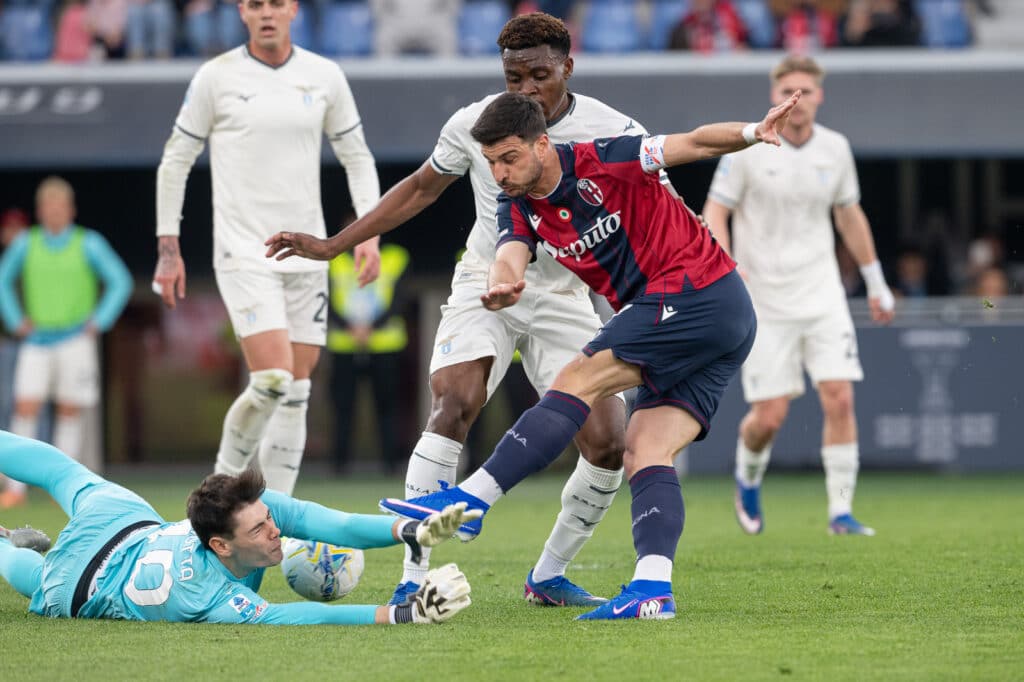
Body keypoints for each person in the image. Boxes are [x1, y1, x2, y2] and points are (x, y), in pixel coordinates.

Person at [262, 12, 680, 609]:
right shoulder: (472, 124)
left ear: (568, 67)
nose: (527, 89)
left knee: (609, 443)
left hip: (564, 295)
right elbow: (420, 187)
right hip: (486, 280)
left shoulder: (613, 128)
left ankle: (548, 575)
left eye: (540, 75)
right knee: (455, 399)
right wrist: (335, 244)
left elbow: (657, 207)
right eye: (515, 78)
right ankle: (413, 574)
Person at [353, 90, 800, 621]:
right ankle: (653, 589)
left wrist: (752, 131)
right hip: (709, 319)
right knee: (645, 448)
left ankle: (470, 502)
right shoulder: (516, 205)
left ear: (542, 144)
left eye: (510, 157)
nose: (500, 172)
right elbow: (509, 255)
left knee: (577, 380)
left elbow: (696, 142)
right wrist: (503, 285)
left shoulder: (608, 157)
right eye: (491, 162)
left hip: (696, 291)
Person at [152, 0, 382, 496]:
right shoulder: (216, 77)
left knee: (297, 390)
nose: (267, 13)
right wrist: (168, 248)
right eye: (256, 4)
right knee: (274, 378)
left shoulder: (324, 75)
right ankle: (216, 494)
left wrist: (367, 234)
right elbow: (176, 161)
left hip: (306, 253)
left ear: (293, 9)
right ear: (242, 11)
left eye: (277, 3)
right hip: (243, 250)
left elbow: (357, 157)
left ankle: (273, 514)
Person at [702, 54, 896, 537]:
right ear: (775, 95)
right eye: (789, 89)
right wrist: (727, 268)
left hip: (822, 295)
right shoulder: (747, 146)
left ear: (818, 96)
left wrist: (876, 283)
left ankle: (841, 513)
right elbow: (715, 212)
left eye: (806, 91)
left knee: (839, 398)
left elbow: (850, 218)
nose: (798, 99)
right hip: (763, 301)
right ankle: (747, 479)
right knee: (769, 416)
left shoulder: (835, 149)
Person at [0, 431, 478, 625]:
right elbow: (292, 617)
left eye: (269, 521)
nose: (275, 532)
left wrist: (410, 531)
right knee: (32, 578)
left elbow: (332, 523)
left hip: (127, 523)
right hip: (83, 583)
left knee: (64, 473)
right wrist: (399, 615)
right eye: (259, 531)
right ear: (219, 545)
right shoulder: (206, 595)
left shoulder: (249, 510)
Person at [0, 177, 132, 510]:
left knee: (69, 411)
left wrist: (100, 320)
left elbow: (120, 281)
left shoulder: (88, 243)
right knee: (25, 407)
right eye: (49, 207)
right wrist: (16, 320)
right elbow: (3, 280)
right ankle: (15, 488)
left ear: (70, 210)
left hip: (75, 339)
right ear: (41, 211)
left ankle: (63, 486)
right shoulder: (26, 244)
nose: (55, 213)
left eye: (61, 207)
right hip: (37, 340)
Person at [328, 239, 411, 475]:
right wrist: (349, 327)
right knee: (343, 407)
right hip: (344, 344)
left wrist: (372, 326)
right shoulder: (334, 261)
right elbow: (325, 298)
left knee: (387, 407)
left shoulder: (396, 257)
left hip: (384, 344)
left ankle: (390, 465)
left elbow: (400, 298)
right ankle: (339, 465)